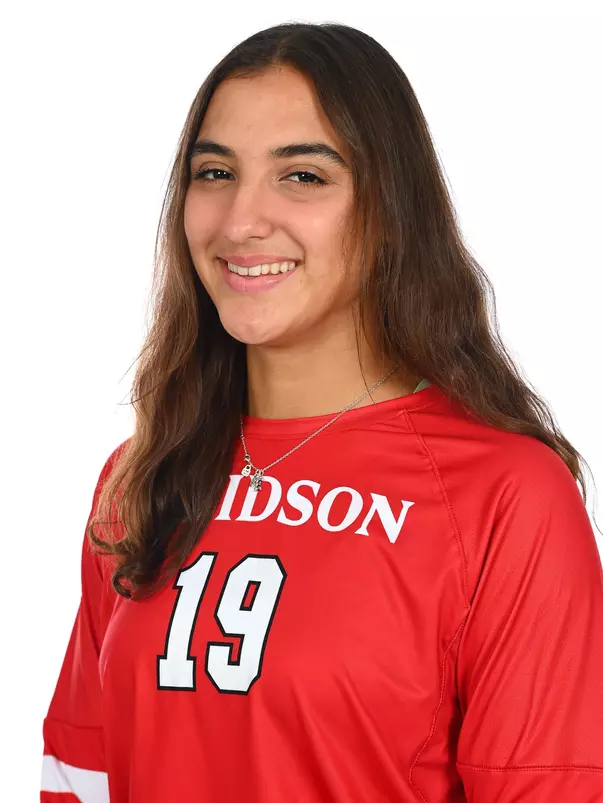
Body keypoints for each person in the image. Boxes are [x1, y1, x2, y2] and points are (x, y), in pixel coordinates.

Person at [41, 21, 603, 803]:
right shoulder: (140, 477)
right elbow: (80, 775)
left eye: (301, 176)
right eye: (214, 172)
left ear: (389, 209)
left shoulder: (504, 495)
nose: (240, 220)